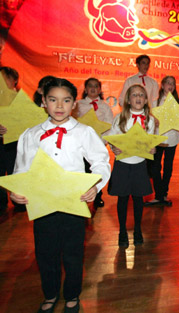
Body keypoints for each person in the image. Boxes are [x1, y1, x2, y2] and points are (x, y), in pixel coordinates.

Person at [10, 77, 110, 313]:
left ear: (73, 103)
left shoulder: (83, 132)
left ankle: (72, 294)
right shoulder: (31, 134)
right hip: (42, 204)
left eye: (65, 100)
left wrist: (95, 186)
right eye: (53, 100)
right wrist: (17, 191)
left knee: (74, 252)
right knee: (45, 253)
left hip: (73, 203)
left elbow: (101, 161)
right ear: (43, 101)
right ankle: (51, 293)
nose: (59, 106)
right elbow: (21, 167)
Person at [108, 84, 156, 248]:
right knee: (122, 199)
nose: (138, 97)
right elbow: (112, 139)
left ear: (145, 100)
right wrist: (114, 148)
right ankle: (122, 230)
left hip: (140, 165)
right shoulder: (119, 118)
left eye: (141, 95)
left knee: (138, 199)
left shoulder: (149, 120)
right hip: (122, 164)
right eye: (134, 94)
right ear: (128, 99)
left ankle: (137, 229)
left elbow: (151, 141)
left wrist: (152, 148)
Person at [76, 77, 114, 209]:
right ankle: (80, 196)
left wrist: (103, 142)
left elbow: (109, 125)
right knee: (82, 170)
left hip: (98, 145)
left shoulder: (105, 106)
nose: (93, 88)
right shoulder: (78, 104)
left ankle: (98, 196)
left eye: (96, 86)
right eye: (90, 86)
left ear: (100, 89)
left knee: (98, 170)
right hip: (80, 145)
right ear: (85, 89)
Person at [147, 75, 179, 206]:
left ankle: (164, 194)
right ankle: (158, 194)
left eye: (173, 83)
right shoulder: (155, 102)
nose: (170, 85)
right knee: (155, 168)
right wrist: (153, 121)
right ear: (162, 85)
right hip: (157, 138)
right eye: (168, 83)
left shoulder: (178, 103)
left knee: (168, 167)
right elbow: (149, 120)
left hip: (172, 139)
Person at [0, 66, 26, 213]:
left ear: (14, 80)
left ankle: (19, 201)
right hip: (0, 142)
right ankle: (1, 202)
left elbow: (28, 121)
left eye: (6, 79)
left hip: (15, 142)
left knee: (15, 171)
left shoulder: (21, 98)